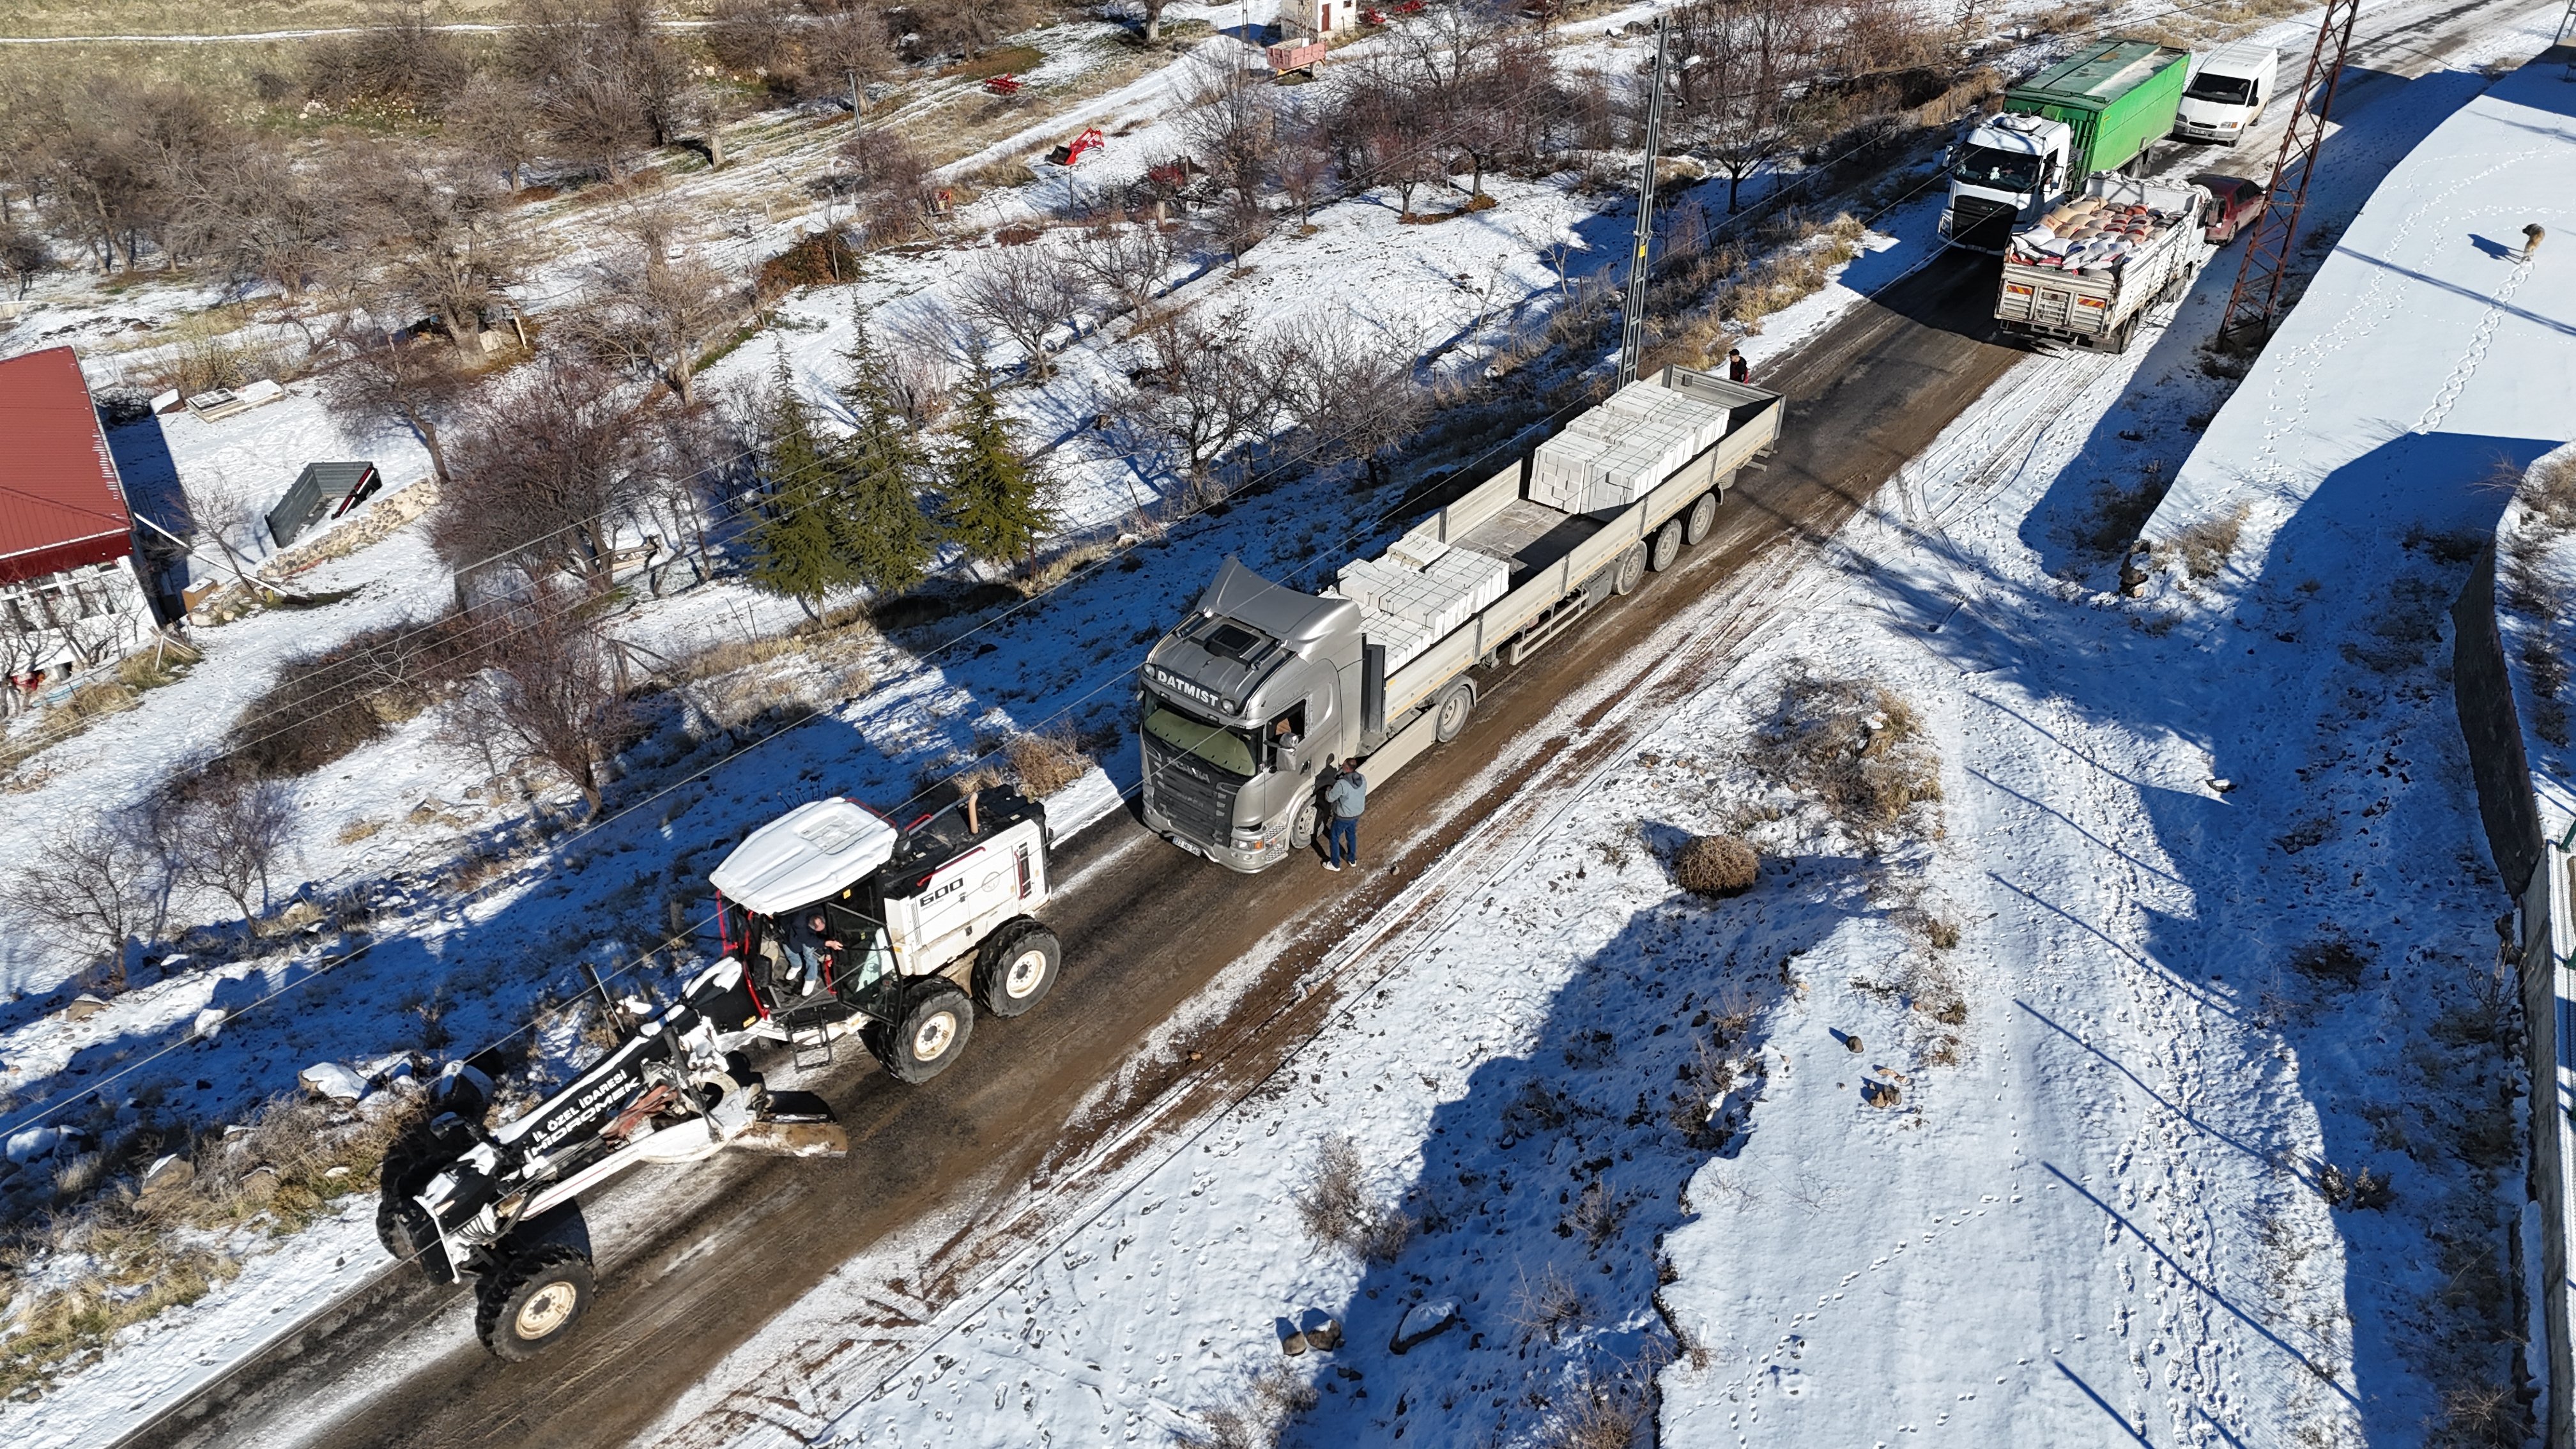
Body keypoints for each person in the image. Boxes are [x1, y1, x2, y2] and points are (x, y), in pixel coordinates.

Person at [781, 910, 841, 998]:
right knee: (789, 948)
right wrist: (828, 944)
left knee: (809, 954)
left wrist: (828, 953)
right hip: (790, 931)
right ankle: (796, 965)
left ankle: (810, 979)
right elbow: (807, 940)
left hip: (804, 931)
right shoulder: (799, 922)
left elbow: (826, 934)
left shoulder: (823, 911)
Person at [1323, 757, 1366, 871]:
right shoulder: (1362, 779)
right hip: (1356, 814)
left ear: (1346, 768)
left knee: (1334, 837)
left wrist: (1328, 790)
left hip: (1343, 817)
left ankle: (1335, 864)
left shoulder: (1342, 784)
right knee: (1351, 835)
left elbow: (1330, 798)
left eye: (1343, 765)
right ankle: (1352, 859)